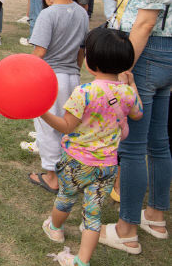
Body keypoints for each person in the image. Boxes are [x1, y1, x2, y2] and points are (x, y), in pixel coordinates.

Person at [98, 0, 172, 255]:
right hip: (169, 54)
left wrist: (127, 65)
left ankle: (126, 228)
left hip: (147, 52)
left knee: (132, 145)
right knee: (159, 142)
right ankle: (156, 217)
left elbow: (144, 21)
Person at [40, 28, 142, 266]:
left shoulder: (83, 93)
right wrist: (133, 85)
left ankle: (55, 227)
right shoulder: (127, 93)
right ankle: (82, 260)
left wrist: (42, 113)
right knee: (93, 214)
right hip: (107, 166)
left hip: (76, 161)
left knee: (65, 197)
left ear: (90, 62)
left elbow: (66, 126)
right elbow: (137, 114)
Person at [26, 0, 89, 194]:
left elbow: (39, 52)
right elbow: (81, 51)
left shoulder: (49, 14)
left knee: (47, 127)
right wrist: (76, 71)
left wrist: (25, 75)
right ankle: (68, 170)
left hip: (50, 79)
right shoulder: (82, 13)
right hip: (73, 77)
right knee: (70, 127)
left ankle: (52, 176)